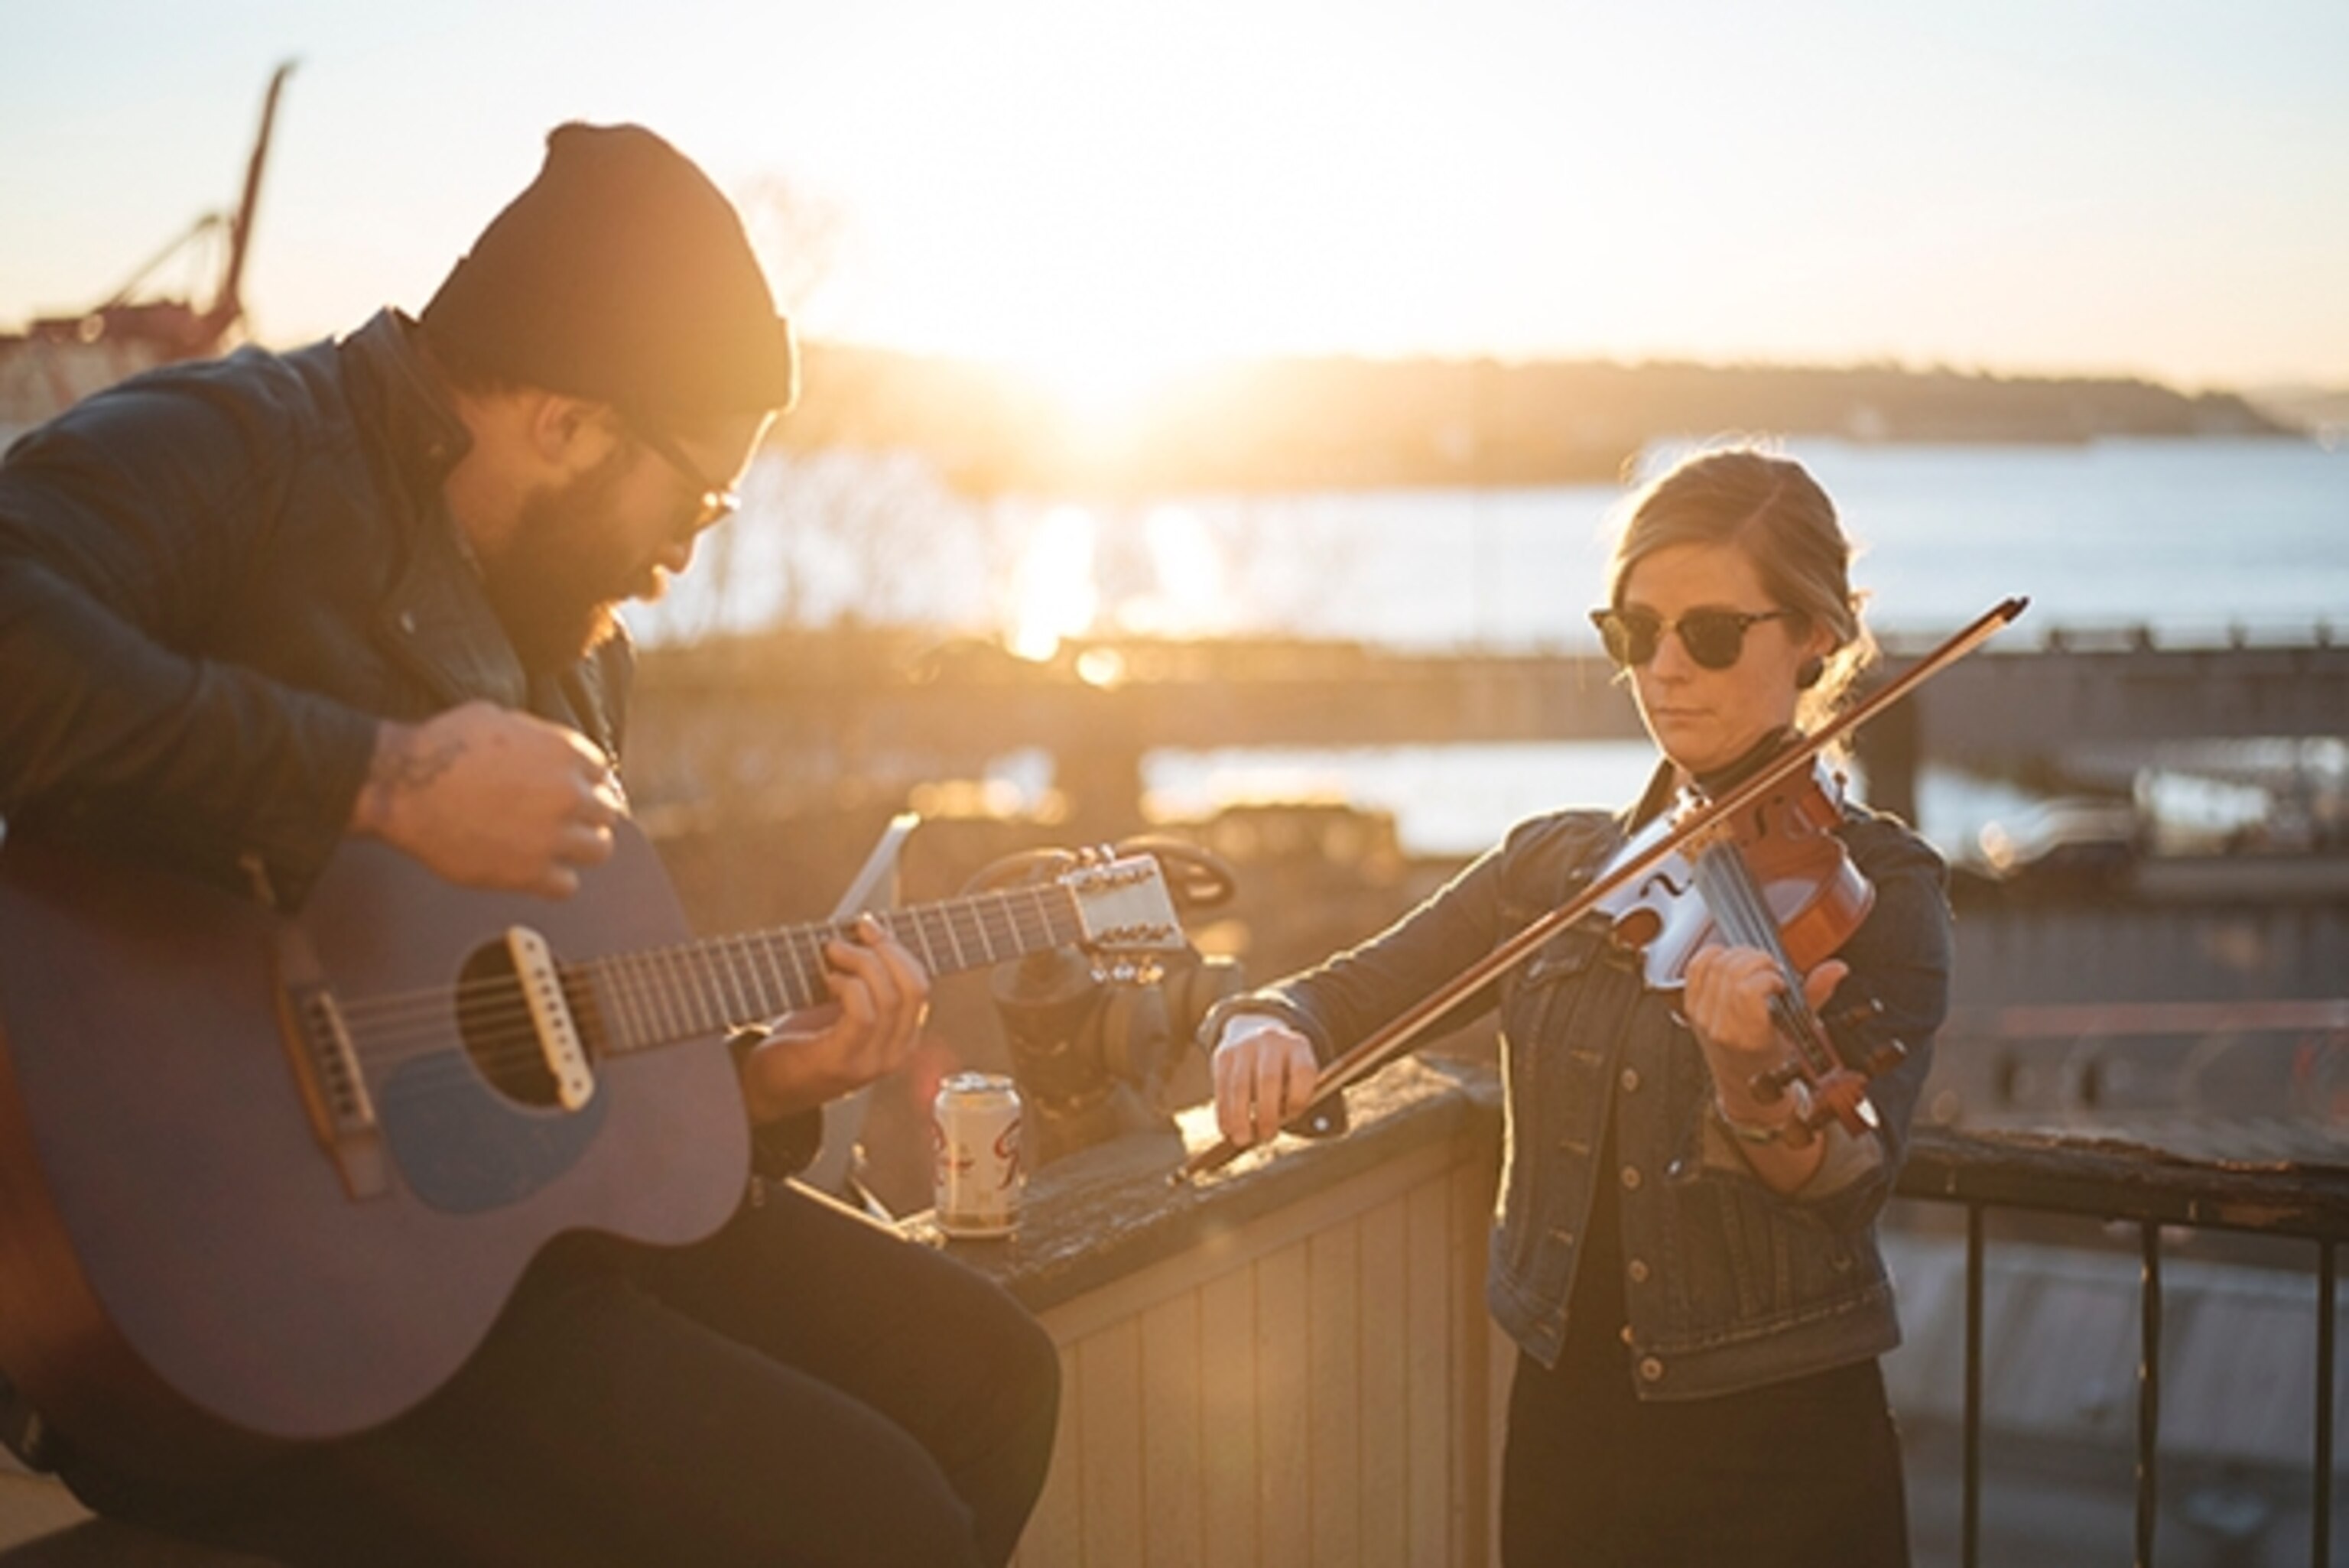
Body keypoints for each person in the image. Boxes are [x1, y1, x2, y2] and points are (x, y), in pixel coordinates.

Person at [0, 123, 1058, 1568]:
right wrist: (373, 781)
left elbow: (529, 1042)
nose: (687, 555)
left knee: (991, 1379)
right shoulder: (247, 447)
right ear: (568, 421)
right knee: (872, 1525)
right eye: (695, 500)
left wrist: (758, 1088)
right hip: (232, 1275)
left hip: (476, 1251)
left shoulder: (572, 640)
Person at [1206, 446, 1951, 1567]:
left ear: (1814, 637)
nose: (1663, 669)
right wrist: (1266, 1022)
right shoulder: (1558, 867)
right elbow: (1349, 992)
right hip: (1566, 1429)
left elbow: (1848, 1179)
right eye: (1633, 631)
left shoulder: (1881, 889)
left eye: (1707, 634)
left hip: (1780, 1452)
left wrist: (1751, 1076)